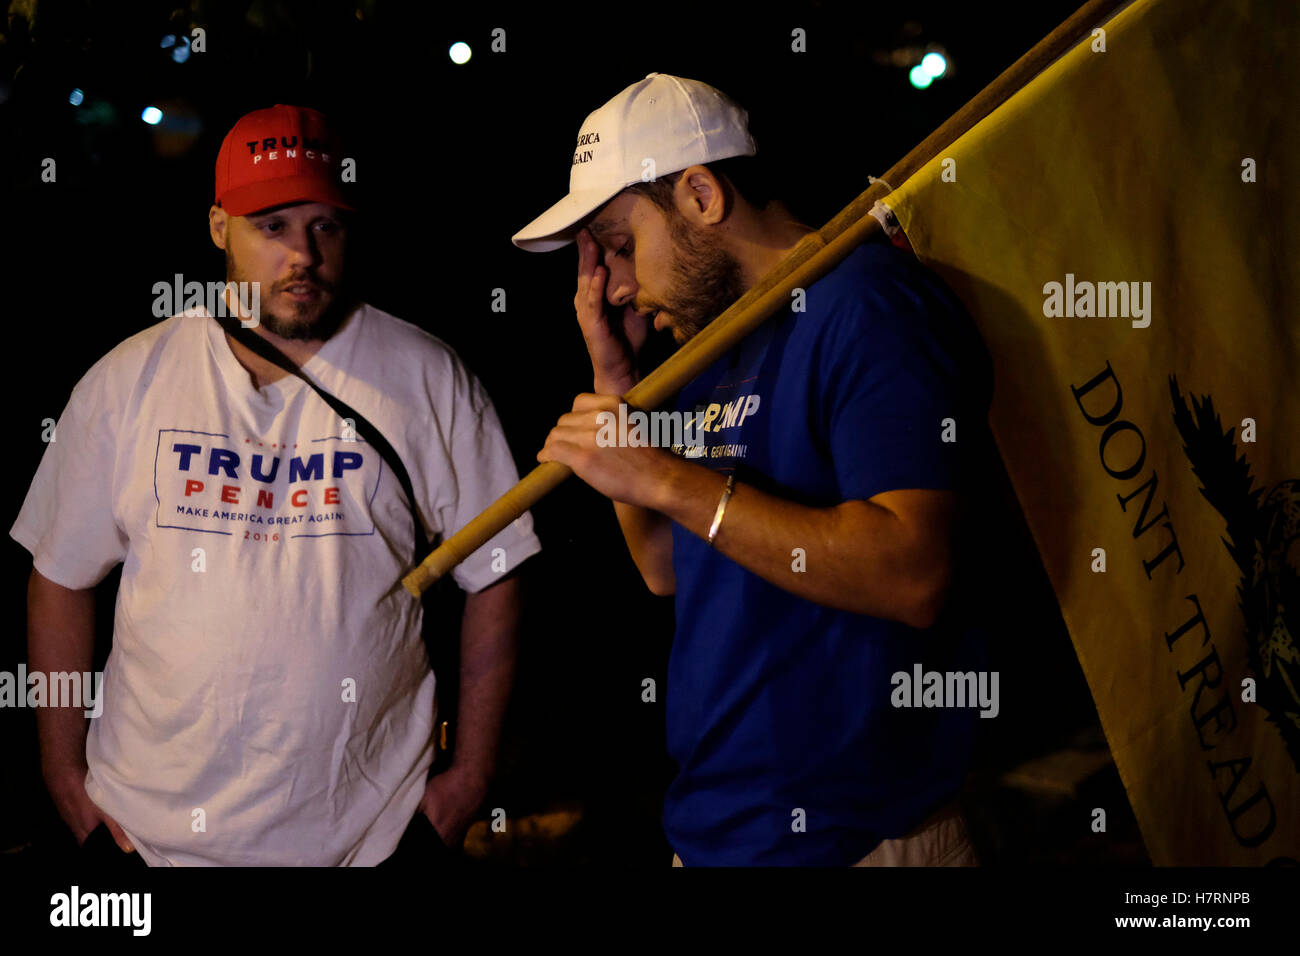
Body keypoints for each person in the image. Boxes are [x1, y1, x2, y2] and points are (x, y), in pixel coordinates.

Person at [13, 104, 541, 866]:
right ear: (218, 226)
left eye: (325, 225)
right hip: (149, 839)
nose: (304, 254)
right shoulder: (130, 379)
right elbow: (58, 574)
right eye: (273, 225)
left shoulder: (426, 375)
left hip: (371, 837)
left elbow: (499, 572)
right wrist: (63, 774)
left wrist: (470, 780)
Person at [515, 74, 994, 865]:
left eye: (622, 244)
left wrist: (664, 476)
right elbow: (664, 566)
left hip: (859, 838)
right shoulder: (706, 343)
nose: (619, 285)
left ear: (701, 193)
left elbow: (914, 572)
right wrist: (617, 387)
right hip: (717, 829)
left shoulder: (867, 303)